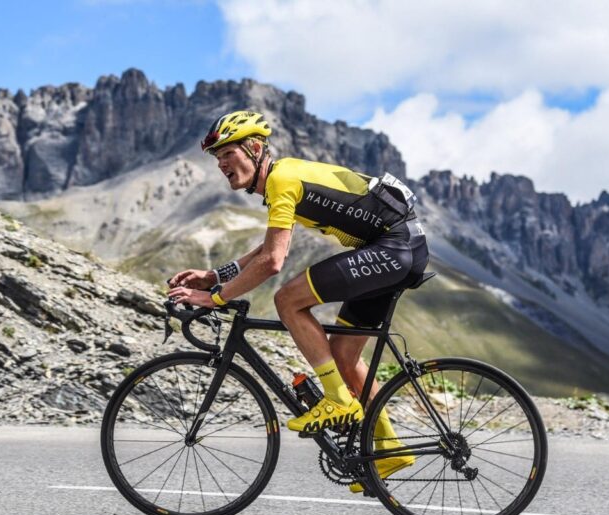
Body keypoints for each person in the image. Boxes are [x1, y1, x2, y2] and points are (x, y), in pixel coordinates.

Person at [167, 111, 428, 492]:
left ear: (254, 148)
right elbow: (266, 248)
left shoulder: (282, 179)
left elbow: (273, 262)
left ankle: (338, 400)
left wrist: (214, 298)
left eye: (227, 153)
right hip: (399, 248)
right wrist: (215, 276)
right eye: (217, 157)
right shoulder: (283, 181)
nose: (221, 164)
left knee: (287, 299)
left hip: (395, 247)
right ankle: (389, 447)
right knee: (343, 355)